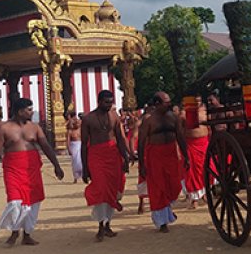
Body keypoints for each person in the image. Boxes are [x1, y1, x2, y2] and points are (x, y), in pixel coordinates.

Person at [0, 98, 65, 246]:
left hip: (32, 168)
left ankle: (27, 234)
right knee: (15, 201)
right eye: (29, 109)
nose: (31, 112)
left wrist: (57, 165)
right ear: (19, 111)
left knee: (33, 202)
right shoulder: (4, 128)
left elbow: (46, 146)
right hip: (13, 168)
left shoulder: (35, 127)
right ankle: (15, 232)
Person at [81, 90, 130, 241]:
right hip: (96, 156)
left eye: (111, 102)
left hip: (113, 155)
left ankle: (107, 224)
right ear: (99, 101)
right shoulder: (88, 119)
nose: (109, 105)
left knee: (112, 189)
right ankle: (101, 225)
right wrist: (85, 168)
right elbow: (84, 144)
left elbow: (120, 138)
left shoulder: (114, 116)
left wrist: (126, 158)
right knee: (101, 189)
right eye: (106, 102)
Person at [137, 92, 189, 233]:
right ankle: (162, 222)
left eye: (169, 102)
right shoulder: (149, 120)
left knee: (173, 185)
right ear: (157, 104)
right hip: (155, 156)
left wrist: (186, 156)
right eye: (166, 102)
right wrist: (142, 165)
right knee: (158, 188)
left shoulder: (174, 117)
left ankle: (167, 212)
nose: (169, 104)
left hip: (171, 154)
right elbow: (141, 143)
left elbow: (180, 138)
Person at [182, 95, 210, 209]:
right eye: (195, 101)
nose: (197, 103)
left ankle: (204, 194)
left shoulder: (205, 111)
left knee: (205, 169)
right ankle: (194, 199)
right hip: (191, 145)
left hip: (204, 143)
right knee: (192, 172)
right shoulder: (183, 114)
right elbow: (180, 131)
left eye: (199, 101)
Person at [66, 112, 83, 183]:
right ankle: (75, 178)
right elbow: (68, 141)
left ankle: (84, 176)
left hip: (81, 146)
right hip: (74, 147)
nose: (77, 124)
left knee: (82, 162)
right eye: (76, 123)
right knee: (75, 163)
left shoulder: (81, 130)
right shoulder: (70, 132)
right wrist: (69, 149)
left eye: (78, 123)